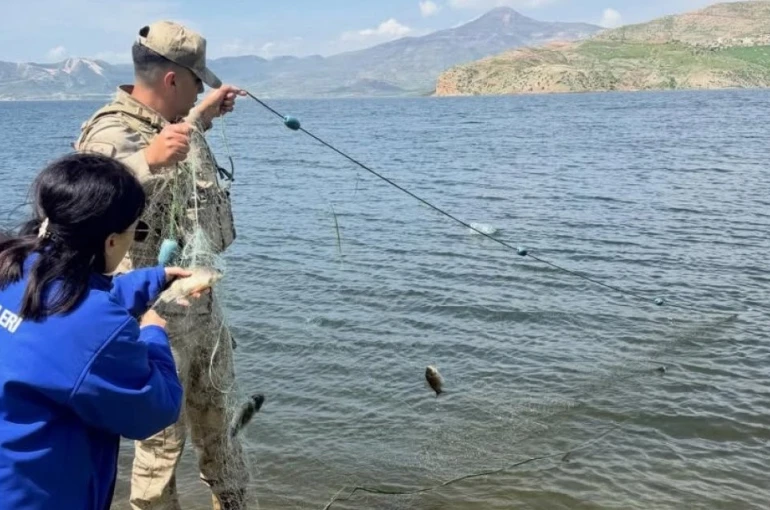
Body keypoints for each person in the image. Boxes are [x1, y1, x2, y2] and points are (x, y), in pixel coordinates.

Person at [73, 20, 250, 510]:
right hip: (153, 319)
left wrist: (199, 119)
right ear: (173, 80)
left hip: (201, 312)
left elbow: (179, 166)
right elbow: (82, 206)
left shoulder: (167, 125)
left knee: (223, 433)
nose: (199, 92)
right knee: (160, 448)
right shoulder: (109, 132)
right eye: (196, 83)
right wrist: (145, 161)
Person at [0, 152, 189, 510]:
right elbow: (154, 409)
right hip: (36, 496)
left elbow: (62, 313)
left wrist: (154, 279)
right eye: (135, 231)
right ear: (111, 241)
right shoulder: (94, 327)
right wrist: (153, 334)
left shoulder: (15, 262)